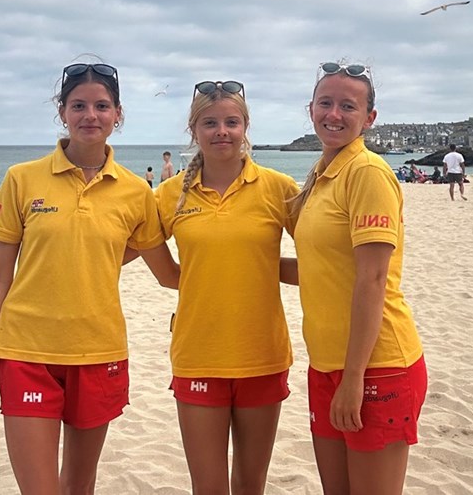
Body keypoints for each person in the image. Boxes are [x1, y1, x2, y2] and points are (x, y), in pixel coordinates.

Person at [0, 61, 179, 494]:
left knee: (79, 486)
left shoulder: (136, 191)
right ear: (62, 112)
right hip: (27, 351)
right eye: (78, 105)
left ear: (118, 114)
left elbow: (168, 274)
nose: (90, 115)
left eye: (101, 106)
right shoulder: (22, 179)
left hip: (99, 351)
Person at [281, 61, 426, 495]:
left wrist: (354, 379)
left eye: (348, 105)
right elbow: (320, 270)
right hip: (326, 365)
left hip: (376, 367)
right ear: (310, 110)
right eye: (326, 103)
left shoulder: (367, 172)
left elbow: (372, 279)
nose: (334, 114)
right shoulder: (325, 176)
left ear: (369, 118)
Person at [155, 80, 299, 495]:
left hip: (263, 354)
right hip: (198, 354)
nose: (222, 131)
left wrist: (258, 268)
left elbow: (322, 258)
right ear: (194, 131)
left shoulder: (278, 188)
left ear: (246, 127)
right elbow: (134, 252)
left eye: (231, 122)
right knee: (209, 486)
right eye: (210, 123)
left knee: (251, 484)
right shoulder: (169, 195)